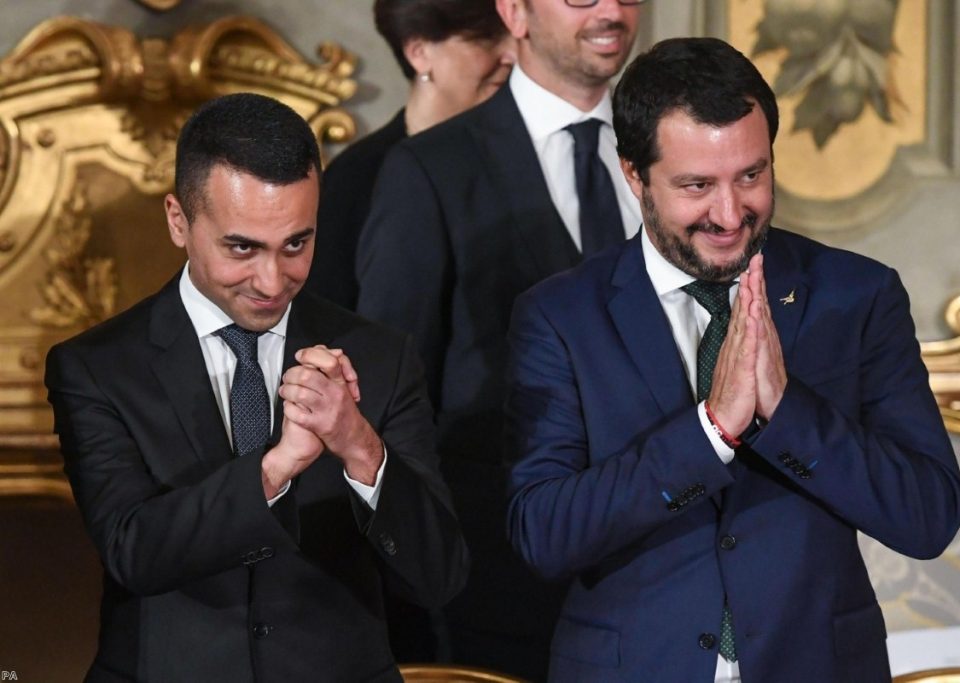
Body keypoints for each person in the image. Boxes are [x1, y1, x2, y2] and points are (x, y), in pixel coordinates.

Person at [504, 37, 960, 682]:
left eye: (751, 175)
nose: (730, 214)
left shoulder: (857, 296)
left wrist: (788, 412)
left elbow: (928, 516)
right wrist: (709, 432)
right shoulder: (561, 316)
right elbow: (544, 533)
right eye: (697, 185)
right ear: (634, 174)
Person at [45, 93, 469, 682]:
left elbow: (439, 576)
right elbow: (134, 551)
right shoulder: (95, 367)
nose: (273, 281)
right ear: (178, 220)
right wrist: (276, 468)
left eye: (297, 243)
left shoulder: (381, 355)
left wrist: (361, 449)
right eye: (242, 247)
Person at [356, 0, 647, 677]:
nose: (611, 10)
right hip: (495, 596)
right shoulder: (428, 170)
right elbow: (391, 399)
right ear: (514, 11)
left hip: (658, 581)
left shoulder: (666, 151)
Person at [306, 0, 515, 310]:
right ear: (419, 52)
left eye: (516, 37)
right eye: (484, 38)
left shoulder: (525, 156)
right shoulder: (357, 177)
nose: (511, 54)